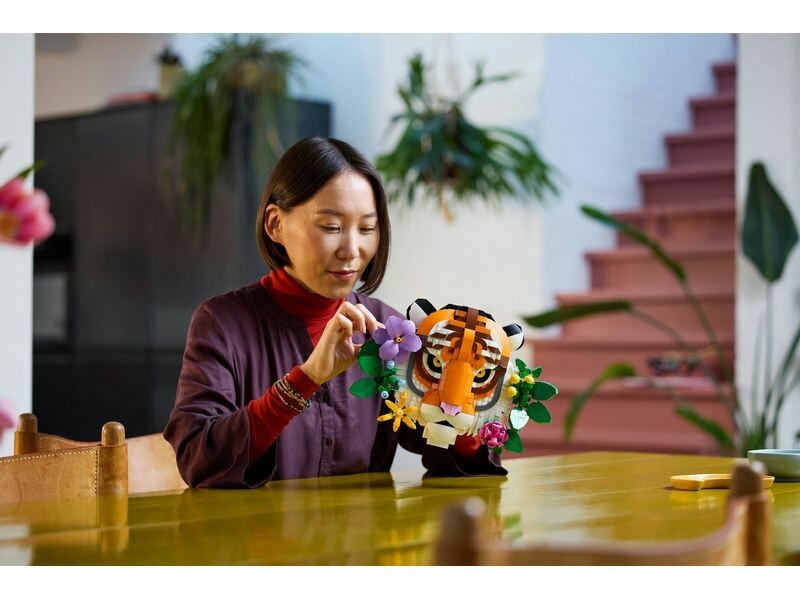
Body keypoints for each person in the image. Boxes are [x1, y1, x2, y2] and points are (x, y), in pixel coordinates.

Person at [164, 137, 506, 488]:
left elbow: (442, 448)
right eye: (331, 227)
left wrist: (466, 409)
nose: (351, 250)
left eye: (367, 228)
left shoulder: (390, 334)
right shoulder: (221, 324)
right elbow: (198, 459)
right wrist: (307, 377)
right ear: (275, 224)